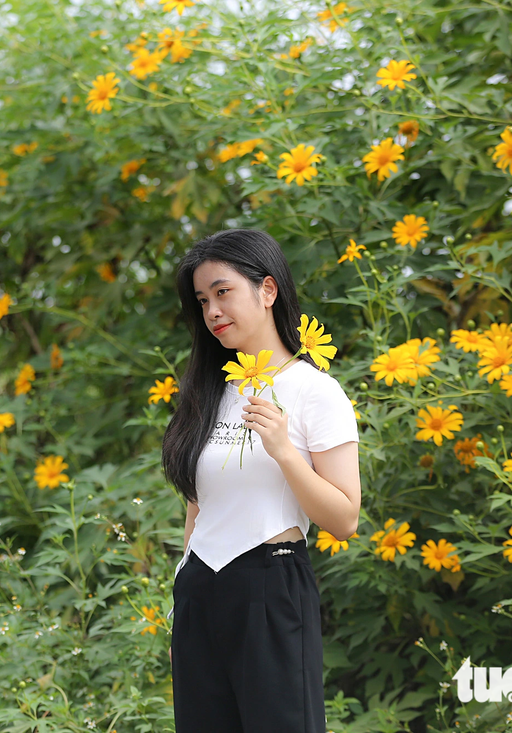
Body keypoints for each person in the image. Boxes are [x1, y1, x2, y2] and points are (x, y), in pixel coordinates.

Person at [161, 229, 361, 733]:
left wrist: (285, 454)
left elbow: (345, 518)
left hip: (270, 585)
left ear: (267, 291)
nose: (212, 312)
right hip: (200, 587)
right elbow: (198, 503)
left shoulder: (316, 391)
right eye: (203, 300)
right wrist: (183, 583)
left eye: (223, 292)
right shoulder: (209, 390)